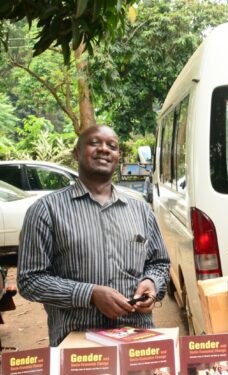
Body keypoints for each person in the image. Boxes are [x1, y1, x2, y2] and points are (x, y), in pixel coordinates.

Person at [17, 125, 170, 346]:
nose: (104, 149)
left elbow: (159, 263)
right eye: (94, 143)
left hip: (138, 340)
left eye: (112, 146)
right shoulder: (46, 210)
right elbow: (30, 280)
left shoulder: (141, 210)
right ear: (76, 153)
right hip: (78, 345)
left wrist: (151, 282)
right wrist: (90, 294)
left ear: (118, 158)